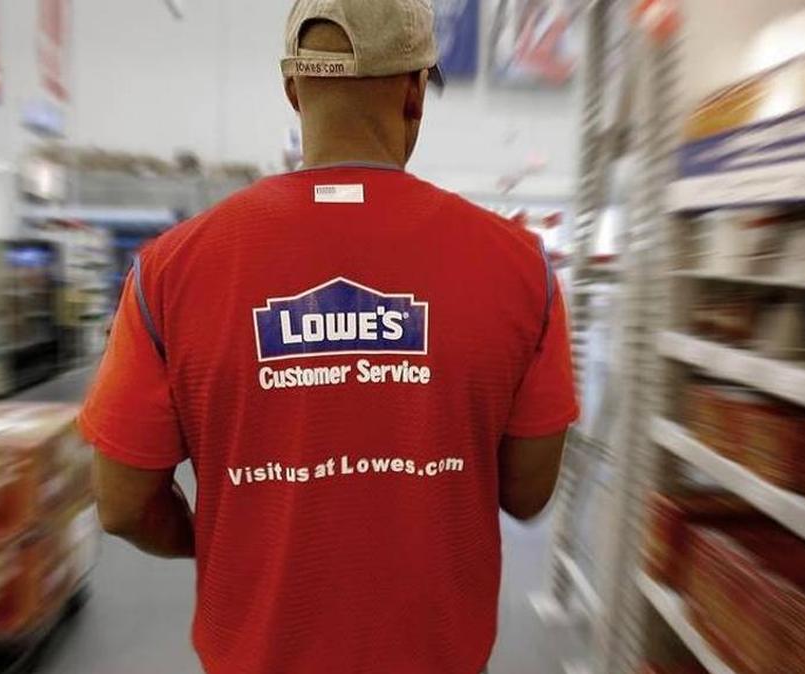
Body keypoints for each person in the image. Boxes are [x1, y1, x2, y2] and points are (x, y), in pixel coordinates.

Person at [79, 0, 579, 672]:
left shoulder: (168, 271)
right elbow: (526, 493)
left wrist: (221, 536)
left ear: (293, 89)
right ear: (413, 92)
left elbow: (120, 504)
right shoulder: (523, 270)